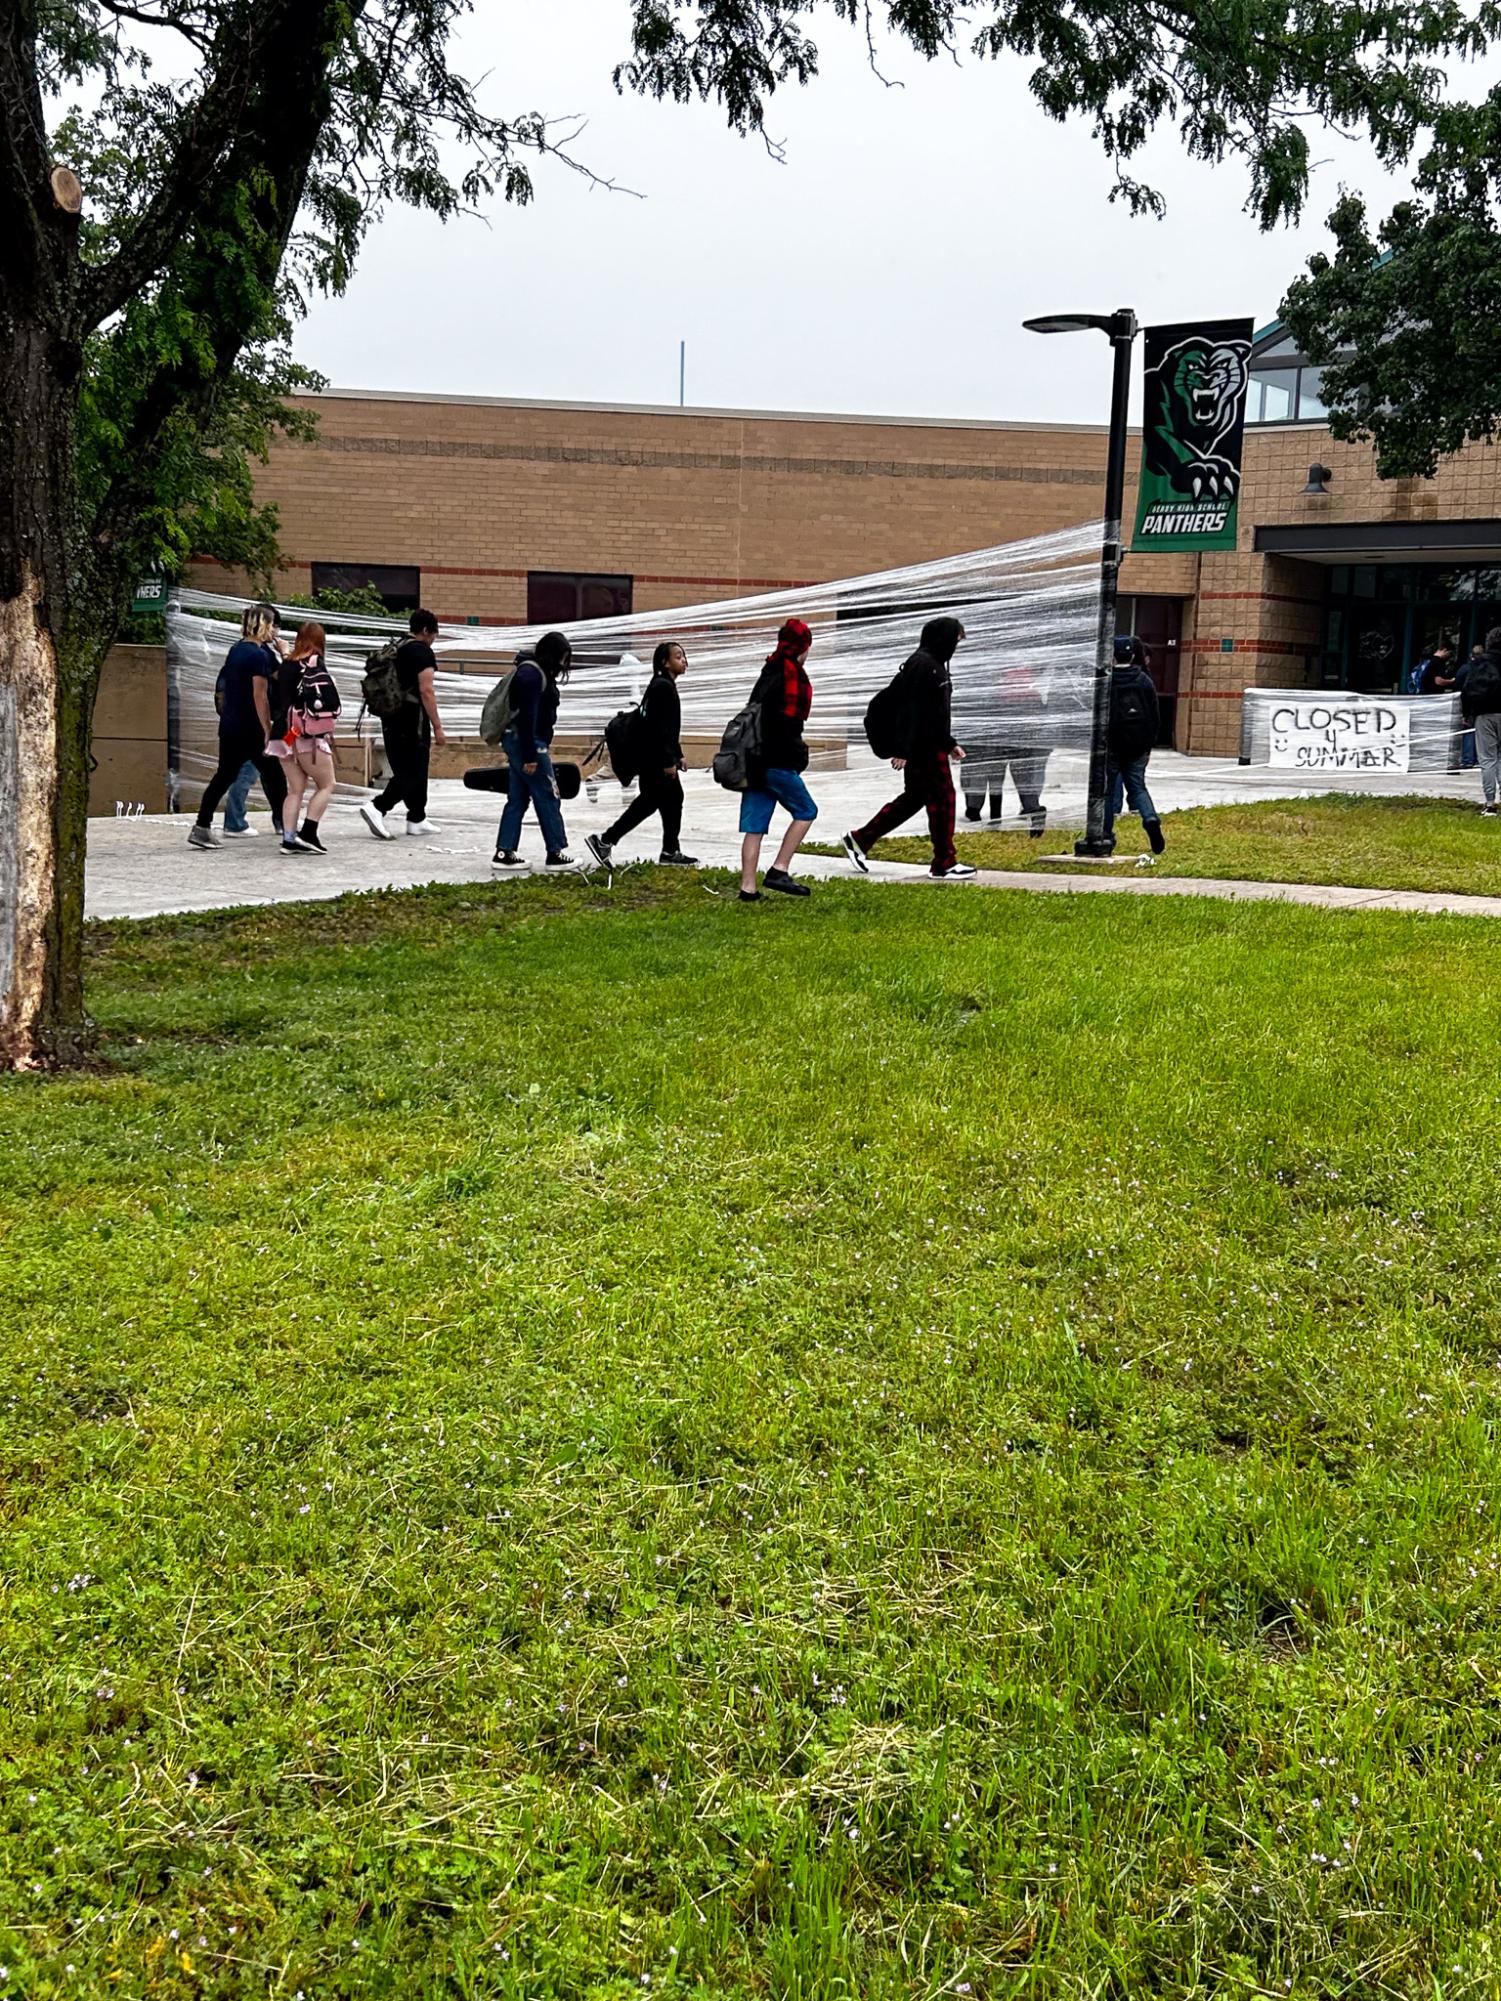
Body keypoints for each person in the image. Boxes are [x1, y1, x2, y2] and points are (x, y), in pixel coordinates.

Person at [842, 616, 977, 881]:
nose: (956, 646)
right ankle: (944, 863)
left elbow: (934, 713)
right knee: (944, 801)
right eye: (956, 639)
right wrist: (903, 749)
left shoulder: (935, 665)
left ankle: (860, 839)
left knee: (914, 799)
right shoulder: (923, 664)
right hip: (923, 750)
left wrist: (950, 744)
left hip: (930, 745)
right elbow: (910, 709)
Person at [585, 641, 697, 870]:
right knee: (648, 803)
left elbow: (668, 726)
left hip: (655, 756)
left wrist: (678, 754)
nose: (684, 660)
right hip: (654, 759)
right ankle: (605, 840)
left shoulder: (662, 685)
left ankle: (670, 850)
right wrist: (668, 761)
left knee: (672, 799)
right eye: (678, 656)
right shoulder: (662, 687)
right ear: (665, 662)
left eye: (684, 656)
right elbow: (656, 729)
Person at [187, 603, 289, 849]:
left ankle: (201, 826)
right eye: (273, 624)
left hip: (231, 725)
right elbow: (260, 695)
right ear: (264, 624)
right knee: (274, 776)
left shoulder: (239, 650)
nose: (276, 630)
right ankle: (289, 827)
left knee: (225, 776)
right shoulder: (256, 654)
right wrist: (267, 729)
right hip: (251, 728)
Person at [735, 618, 819, 901]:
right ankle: (779, 868)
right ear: (800, 647)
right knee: (806, 810)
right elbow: (787, 725)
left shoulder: (769, 670)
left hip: (753, 761)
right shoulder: (791, 675)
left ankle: (748, 889)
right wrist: (798, 755)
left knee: (754, 827)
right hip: (777, 761)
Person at [359, 609, 447, 839]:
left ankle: (417, 817)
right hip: (412, 719)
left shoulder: (397, 648)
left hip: (391, 717)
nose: (433, 640)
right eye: (433, 635)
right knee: (414, 769)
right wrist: (437, 726)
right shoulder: (422, 652)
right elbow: (426, 691)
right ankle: (378, 807)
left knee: (407, 767)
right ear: (426, 631)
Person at [492, 630, 575, 868]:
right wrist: (531, 755)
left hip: (521, 741)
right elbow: (527, 718)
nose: (564, 664)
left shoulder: (530, 671)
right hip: (528, 743)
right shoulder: (531, 675)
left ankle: (504, 852)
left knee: (517, 797)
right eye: (563, 657)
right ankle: (555, 852)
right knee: (548, 794)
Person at [267, 621, 339, 856]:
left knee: (295, 789)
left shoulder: (286, 664)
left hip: (284, 736)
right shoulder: (315, 663)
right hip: (306, 734)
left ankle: (289, 839)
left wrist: (285, 651)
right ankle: (309, 832)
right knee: (327, 784)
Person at [962, 660, 1050, 836]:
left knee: (996, 781)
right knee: (1024, 782)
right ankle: (1034, 809)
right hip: (1024, 743)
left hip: (997, 744)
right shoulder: (1031, 694)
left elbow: (987, 717)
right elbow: (1041, 717)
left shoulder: (997, 694)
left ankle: (996, 819)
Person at [1103, 634, 1165, 855]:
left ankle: (1106, 834)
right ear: (1132, 655)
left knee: (1108, 792)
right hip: (1138, 746)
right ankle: (1150, 817)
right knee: (1138, 787)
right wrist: (1149, 743)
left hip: (1113, 744)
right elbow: (1155, 715)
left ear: (1113, 656)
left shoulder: (1107, 682)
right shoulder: (1144, 680)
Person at [1462, 625, 1501, 816]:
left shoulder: (1480, 663)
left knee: (1487, 759)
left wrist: (1467, 713)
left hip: (1484, 713)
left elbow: (1467, 689)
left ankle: (1490, 803)